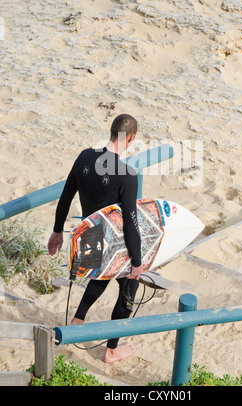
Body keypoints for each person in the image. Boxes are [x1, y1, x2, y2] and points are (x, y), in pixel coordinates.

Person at [48, 114, 143, 363]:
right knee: (129, 285)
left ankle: (78, 319)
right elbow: (131, 222)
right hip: (115, 241)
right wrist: (137, 260)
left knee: (104, 274)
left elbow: (66, 196)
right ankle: (111, 350)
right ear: (131, 138)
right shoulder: (127, 174)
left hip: (90, 236)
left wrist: (57, 231)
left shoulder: (84, 157)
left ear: (111, 131)